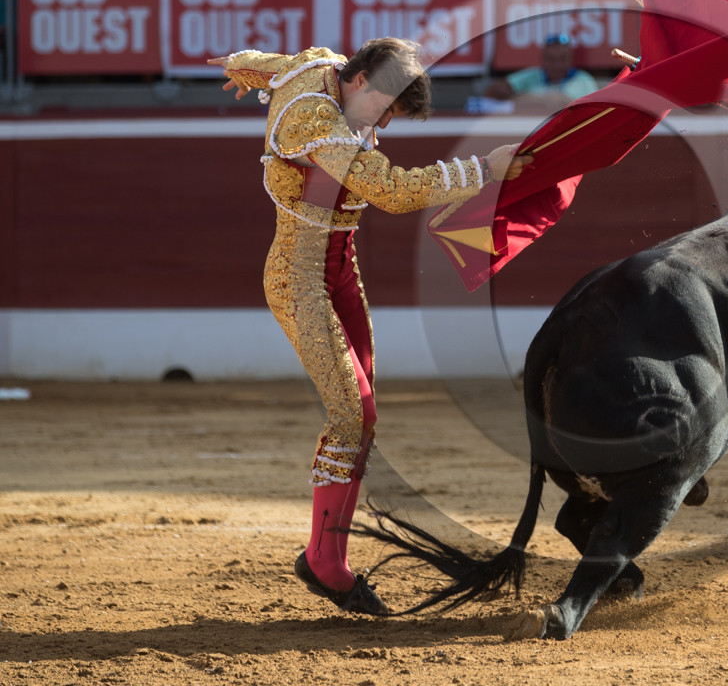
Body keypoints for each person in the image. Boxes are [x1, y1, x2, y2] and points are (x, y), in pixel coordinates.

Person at [208, 38, 531, 615]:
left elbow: (275, 64)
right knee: (352, 412)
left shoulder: (329, 68)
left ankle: (326, 555)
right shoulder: (314, 117)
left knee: (363, 413)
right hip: (297, 278)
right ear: (358, 81)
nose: (382, 124)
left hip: (339, 269)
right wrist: (483, 169)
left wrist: (242, 66)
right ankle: (325, 564)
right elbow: (391, 191)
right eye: (382, 111)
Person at [483, 34, 599, 113]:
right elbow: (492, 91)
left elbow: (595, 109)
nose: (557, 65)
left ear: (571, 59)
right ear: (542, 59)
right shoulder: (532, 75)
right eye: (551, 59)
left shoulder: (584, 79)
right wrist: (528, 99)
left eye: (562, 59)